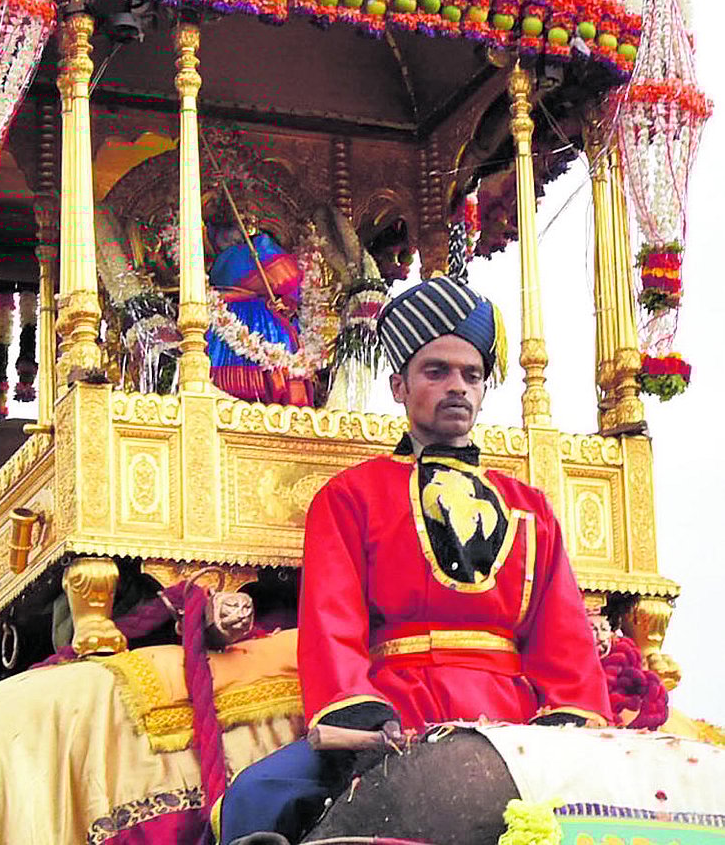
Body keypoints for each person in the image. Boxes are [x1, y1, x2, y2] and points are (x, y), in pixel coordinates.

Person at [217, 275, 612, 845]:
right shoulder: (351, 494)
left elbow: (563, 634)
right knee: (256, 796)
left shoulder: (532, 509)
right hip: (395, 708)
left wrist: (567, 716)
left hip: (514, 715)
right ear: (399, 387)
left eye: (471, 375)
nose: (458, 387)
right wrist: (357, 712)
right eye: (437, 372)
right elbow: (332, 619)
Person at [206, 214, 313, 407]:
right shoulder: (231, 258)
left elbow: (287, 281)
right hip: (228, 317)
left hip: (257, 317)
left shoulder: (256, 249)